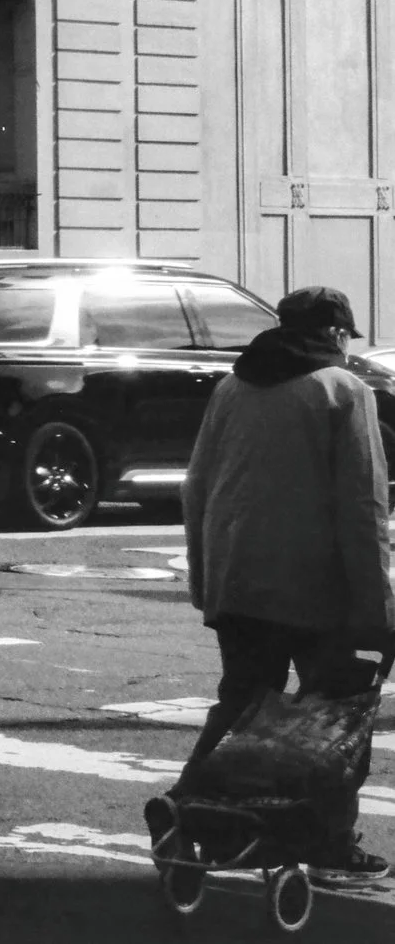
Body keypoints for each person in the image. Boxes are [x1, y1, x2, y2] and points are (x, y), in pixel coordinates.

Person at [155, 285, 395, 883]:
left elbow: (196, 486)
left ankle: (185, 807)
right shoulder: (344, 391)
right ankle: (330, 841)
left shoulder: (232, 387)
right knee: (336, 713)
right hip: (317, 589)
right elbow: (363, 506)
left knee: (242, 698)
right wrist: (378, 606)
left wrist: (207, 579)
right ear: (336, 334)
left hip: (237, 579)